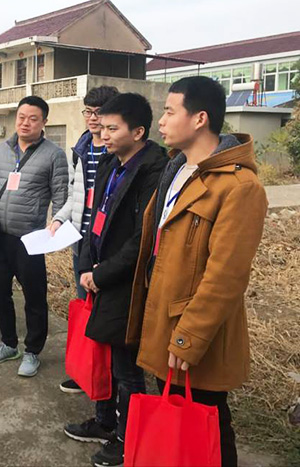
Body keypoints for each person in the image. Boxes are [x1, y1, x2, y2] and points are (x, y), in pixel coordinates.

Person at [126, 76, 268, 467]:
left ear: (200, 118)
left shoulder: (239, 187)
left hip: (192, 329)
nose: (161, 121)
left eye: (170, 112)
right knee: (178, 418)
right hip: (164, 317)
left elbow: (227, 276)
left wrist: (189, 337)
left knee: (207, 421)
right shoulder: (176, 169)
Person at [62, 93, 167, 467]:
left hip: (127, 280)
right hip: (100, 271)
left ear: (138, 132)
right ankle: (105, 421)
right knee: (103, 356)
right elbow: (94, 216)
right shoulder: (110, 163)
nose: (103, 135)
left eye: (112, 128)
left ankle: (127, 437)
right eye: (101, 127)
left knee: (126, 365)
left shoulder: (153, 171)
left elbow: (142, 239)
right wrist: (87, 264)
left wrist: (102, 273)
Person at [0, 95, 68, 377]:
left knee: (34, 297)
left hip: (30, 239)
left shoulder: (54, 154)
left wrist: (56, 227)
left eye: (33, 119)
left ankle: (32, 351)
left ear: (44, 122)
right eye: (21, 117)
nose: (25, 123)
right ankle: (8, 344)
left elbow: (61, 195)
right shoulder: (2, 149)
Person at [50, 85, 119, 394]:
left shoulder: (117, 149)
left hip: (109, 243)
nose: (92, 118)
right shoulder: (81, 148)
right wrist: (59, 218)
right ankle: (87, 371)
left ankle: (110, 376)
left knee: (109, 311)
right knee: (86, 305)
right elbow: (75, 194)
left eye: (99, 112)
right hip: (82, 241)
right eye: (88, 111)